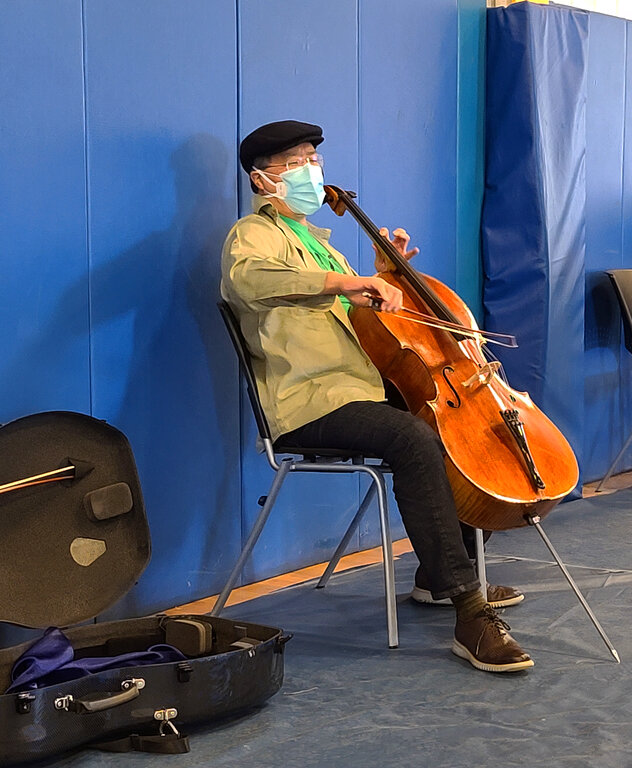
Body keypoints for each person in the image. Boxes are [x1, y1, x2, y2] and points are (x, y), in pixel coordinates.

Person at [220, 120, 532, 672]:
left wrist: (386, 272)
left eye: (313, 158)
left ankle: (437, 577)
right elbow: (249, 282)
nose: (311, 170)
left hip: (357, 392)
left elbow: (367, 325)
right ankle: (468, 609)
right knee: (411, 436)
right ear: (262, 179)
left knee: (444, 426)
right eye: (295, 163)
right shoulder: (254, 235)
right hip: (308, 404)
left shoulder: (321, 245)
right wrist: (348, 284)